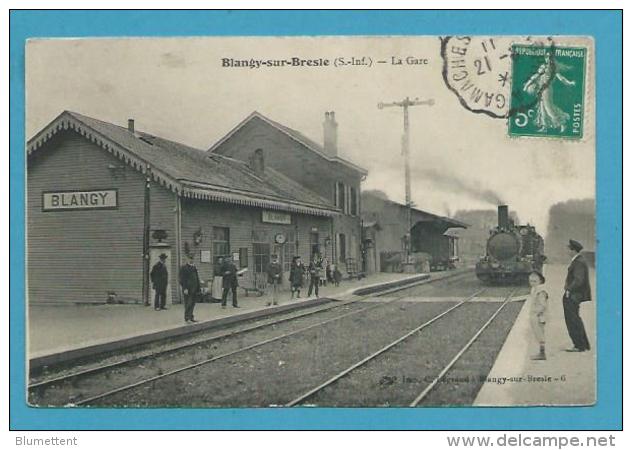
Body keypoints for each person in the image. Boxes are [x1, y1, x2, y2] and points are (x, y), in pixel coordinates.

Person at [563, 239, 592, 352]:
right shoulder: (578, 260)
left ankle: (578, 345)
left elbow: (579, 280)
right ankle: (584, 344)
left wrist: (569, 290)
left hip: (573, 295)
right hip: (575, 294)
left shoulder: (578, 262)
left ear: (573, 250)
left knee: (572, 320)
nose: (566, 251)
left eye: (568, 249)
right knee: (575, 319)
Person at [527, 270, 549, 360]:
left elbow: (543, 305)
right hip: (537, 315)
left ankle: (542, 353)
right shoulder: (535, 289)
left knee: (540, 334)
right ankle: (541, 352)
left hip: (540, 316)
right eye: (531, 281)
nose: (532, 283)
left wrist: (536, 313)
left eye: (534, 281)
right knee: (538, 334)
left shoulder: (541, 291)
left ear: (540, 281)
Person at [179, 254, 200, 323]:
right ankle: (187, 317)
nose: (191, 260)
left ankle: (191, 317)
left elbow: (196, 278)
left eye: (192, 259)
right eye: (190, 259)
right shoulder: (184, 268)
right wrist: (185, 288)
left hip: (194, 288)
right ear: (187, 259)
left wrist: (198, 288)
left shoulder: (194, 267)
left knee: (193, 303)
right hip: (188, 289)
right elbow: (182, 279)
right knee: (188, 303)